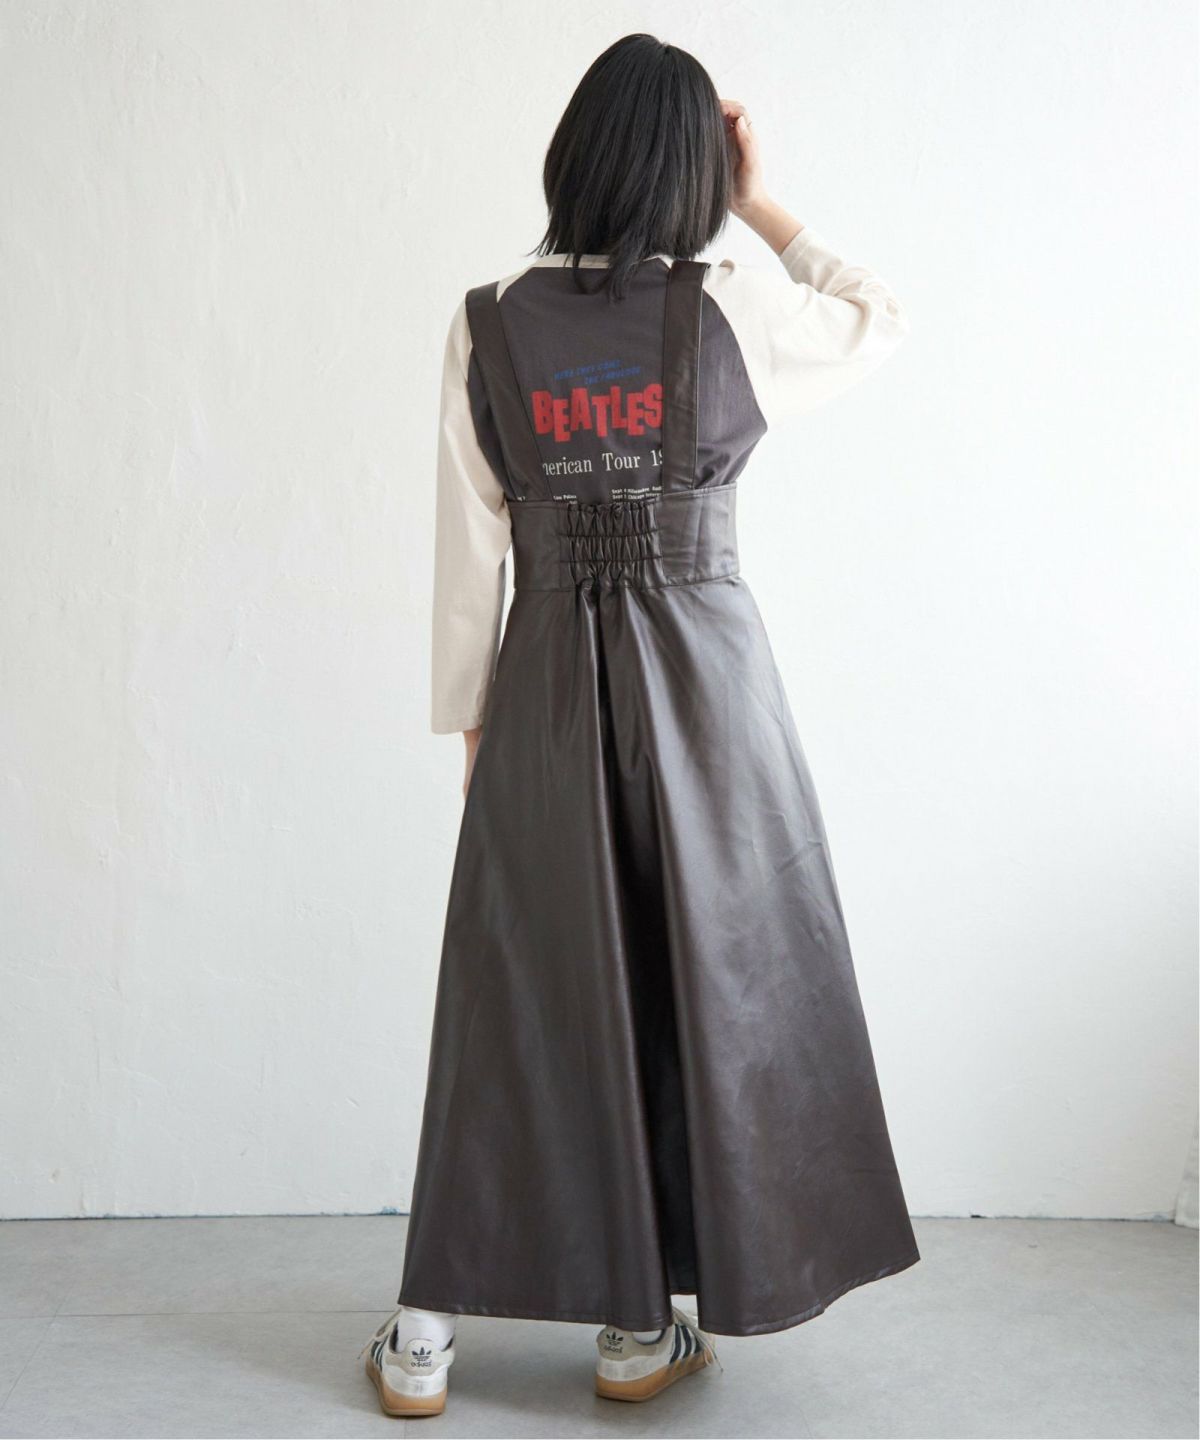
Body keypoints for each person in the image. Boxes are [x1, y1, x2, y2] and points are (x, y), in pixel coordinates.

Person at [365, 32, 920, 1420]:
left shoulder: (487, 320)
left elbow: (467, 554)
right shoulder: (727, 309)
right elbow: (877, 314)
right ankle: (634, 1336)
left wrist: (476, 725)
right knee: (707, 980)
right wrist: (762, 202)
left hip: (546, 686)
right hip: (713, 698)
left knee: (518, 992)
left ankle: (425, 1341)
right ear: (691, 177)